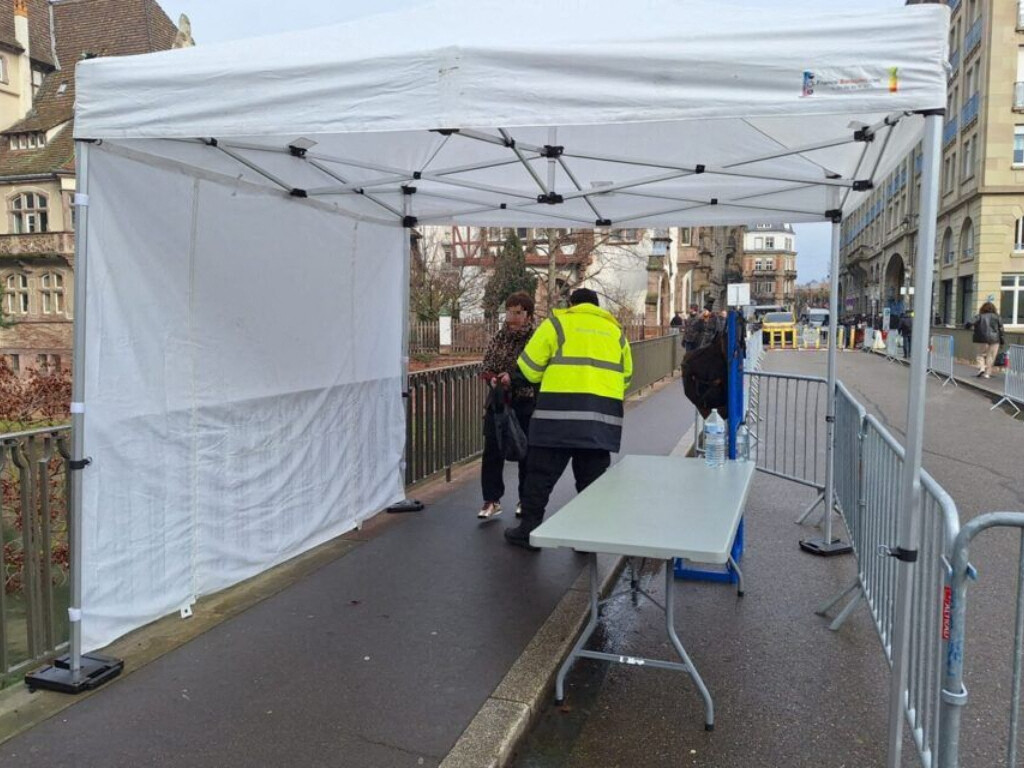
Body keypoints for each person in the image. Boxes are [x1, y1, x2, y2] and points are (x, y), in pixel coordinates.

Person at [503, 288, 633, 550]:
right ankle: (586, 538)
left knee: (539, 477)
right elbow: (626, 377)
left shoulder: (557, 324)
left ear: (572, 304)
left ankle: (529, 531)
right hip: (600, 423)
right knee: (592, 483)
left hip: (556, 420)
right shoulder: (616, 333)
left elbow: (528, 369)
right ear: (598, 307)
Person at [477, 292, 537, 519]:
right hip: (499, 401)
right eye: (509, 311)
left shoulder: (535, 338)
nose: (511, 316)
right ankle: (492, 499)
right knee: (492, 450)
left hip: (525, 400)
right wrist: (492, 377)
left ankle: (525, 499)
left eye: (518, 312)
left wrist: (512, 377)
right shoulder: (498, 337)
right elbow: (486, 364)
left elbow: (536, 368)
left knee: (525, 451)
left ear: (528, 315)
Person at [972, 301, 1005, 379]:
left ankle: (981, 368)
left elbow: (970, 322)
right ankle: (987, 374)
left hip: (983, 339)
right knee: (991, 357)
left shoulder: (979, 316)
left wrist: (967, 326)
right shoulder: (997, 317)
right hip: (995, 339)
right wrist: (1002, 340)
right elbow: (1001, 329)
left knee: (980, 355)